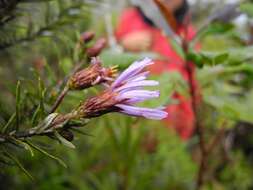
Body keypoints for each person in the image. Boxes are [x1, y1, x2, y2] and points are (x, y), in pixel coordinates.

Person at [115, 0, 200, 140]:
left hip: (171, 126)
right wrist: (123, 45)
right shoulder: (130, 18)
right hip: (127, 120)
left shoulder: (188, 34)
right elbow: (107, 58)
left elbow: (194, 83)